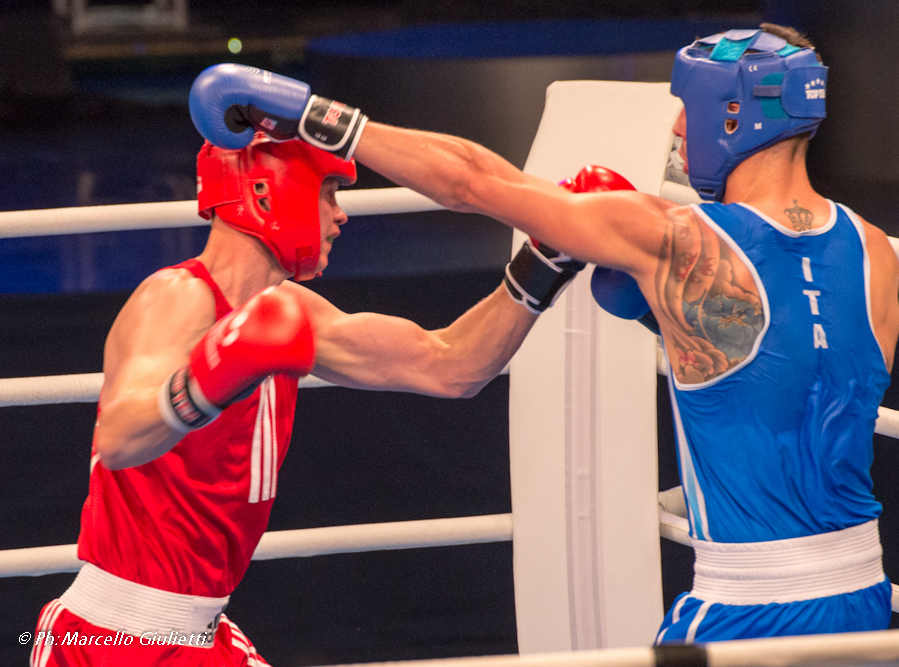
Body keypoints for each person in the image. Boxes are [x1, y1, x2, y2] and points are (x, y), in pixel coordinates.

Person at [186, 21, 899, 644]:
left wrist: (318, 114)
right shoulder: (875, 253)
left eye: (685, 109)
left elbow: (471, 181)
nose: (678, 130)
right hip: (863, 592)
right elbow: (797, 378)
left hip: (746, 606)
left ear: (734, 113)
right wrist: (679, 320)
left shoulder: (674, 239)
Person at [31, 127, 585, 665]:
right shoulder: (177, 297)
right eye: (328, 193)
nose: (341, 214)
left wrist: (545, 260)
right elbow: (121, 436)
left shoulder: (297, 315)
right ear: (266, 192)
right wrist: (213, 376)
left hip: (197, 634)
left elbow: (453, 366)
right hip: (109, 639)